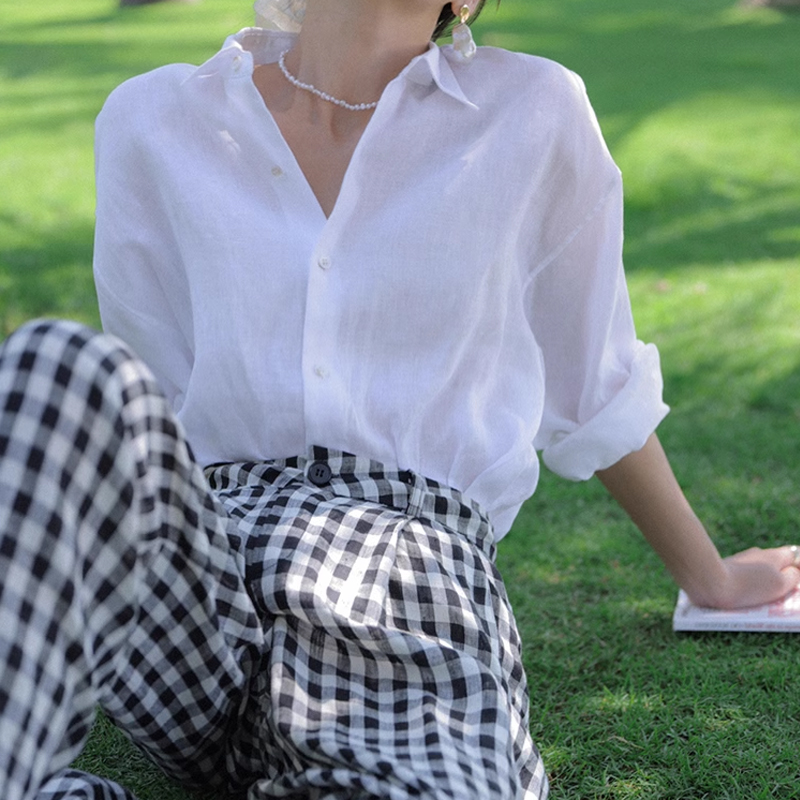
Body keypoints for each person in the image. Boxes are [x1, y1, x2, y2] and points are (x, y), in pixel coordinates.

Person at [1, 1, 798, 798]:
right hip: (200, 577)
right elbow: (152, 399)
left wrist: (713, 580)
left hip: (404, 577)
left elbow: (595, 383)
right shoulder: (152, 117)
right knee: (54, 365)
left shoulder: (533, 111)